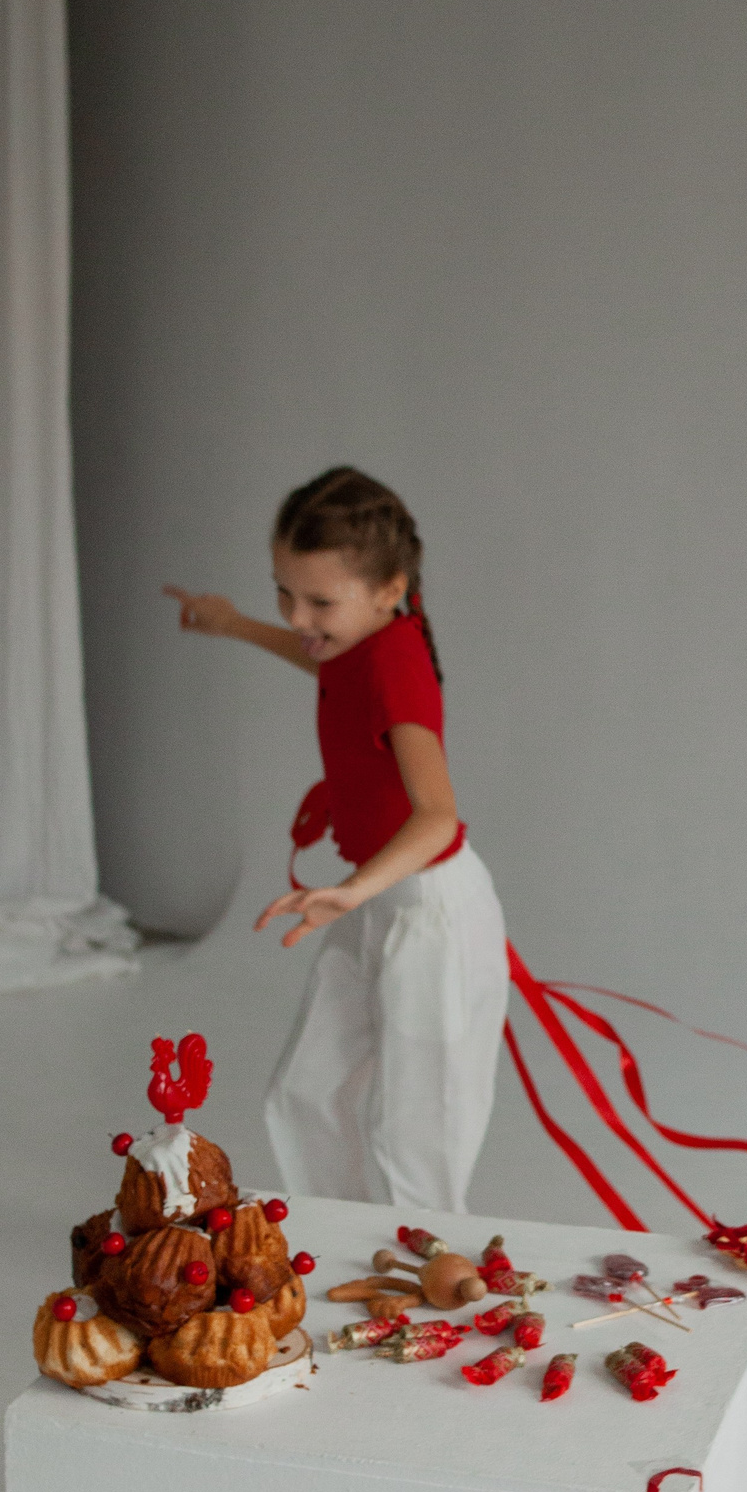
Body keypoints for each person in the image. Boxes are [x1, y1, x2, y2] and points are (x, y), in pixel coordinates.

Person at [166, 466, 508, 1212]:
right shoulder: (359, 641)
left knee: (419, 1130)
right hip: (375, 898)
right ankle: (347, 1237)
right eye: (283, 592)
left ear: (389, 589)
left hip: (431, 911)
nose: (297, 616)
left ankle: (430, 1256)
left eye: (319, 601)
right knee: (305, 1094)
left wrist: (353, 888)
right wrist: (233, 623)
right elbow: (323, 653)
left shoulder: (398, 664)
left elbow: (437, 816)